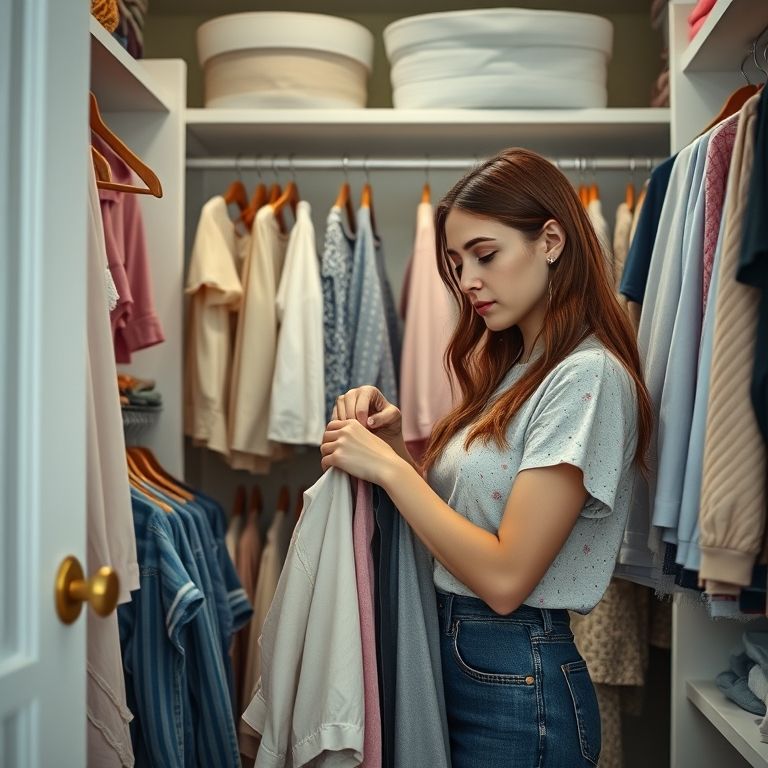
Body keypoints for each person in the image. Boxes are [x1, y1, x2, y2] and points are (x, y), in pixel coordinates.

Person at [320, 147, 652, 768]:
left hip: (517, 681)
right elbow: (469, 527)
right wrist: (394, 448)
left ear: (550, 240)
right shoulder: (514, 372)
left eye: (486, 254)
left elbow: (504, 579)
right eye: (456, 261)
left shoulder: (588, 378)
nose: (467, 279)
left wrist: (389, 471)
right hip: (463, 658)